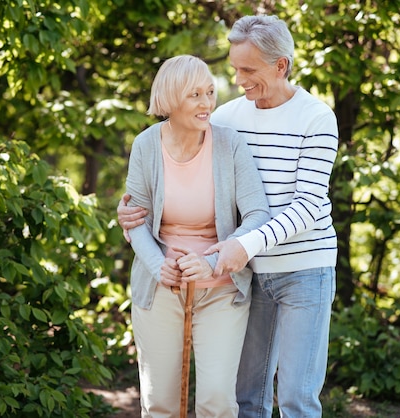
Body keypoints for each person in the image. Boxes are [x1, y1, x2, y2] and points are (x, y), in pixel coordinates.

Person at [118, 15, 339, 418]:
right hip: (251, 271)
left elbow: (309, 205)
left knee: (296, 400)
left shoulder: (317, 118)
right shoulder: (226, 118)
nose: (237, 81)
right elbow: (179, 145)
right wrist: (130, 212)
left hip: (301, 268)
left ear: (281, 66)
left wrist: (238, 246)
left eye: (247, 70)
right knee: (248, 399)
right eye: (235, 69)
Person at [124, 54, 270, 418]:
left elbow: (258, 214)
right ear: (171, 99)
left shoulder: (229, 145)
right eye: (195, 95)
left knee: (217, 402)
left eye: (210, 92)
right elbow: (134, 219)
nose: (207, 104)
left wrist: (209, 262)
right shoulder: (145, 146)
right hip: (161, 288)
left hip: (220, 287)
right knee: (160, 403)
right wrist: (160, 267)